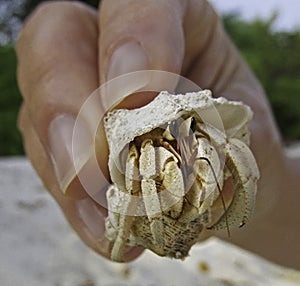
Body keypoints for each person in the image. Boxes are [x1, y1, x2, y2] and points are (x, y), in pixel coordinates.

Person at [16, 0, 300, 269]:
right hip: (144, 156)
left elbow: (225, 151)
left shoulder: (192, 135)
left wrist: (252, 199)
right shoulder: (148, 152)